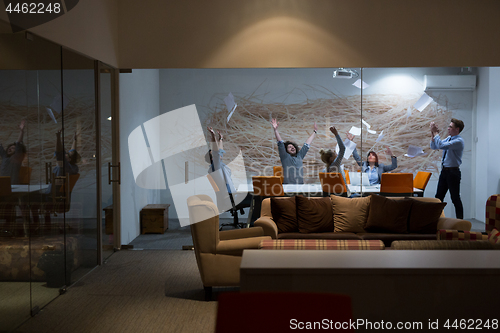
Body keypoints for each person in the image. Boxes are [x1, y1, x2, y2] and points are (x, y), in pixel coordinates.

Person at [430, 118, 464, 219]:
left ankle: (460, 222)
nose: (448, 128)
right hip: (445, 171)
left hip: (453, 172)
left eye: (450, 127)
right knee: (438, 197)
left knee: (455, 198)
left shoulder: (458, 141)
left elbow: (440, 144)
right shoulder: (449, 138)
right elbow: (434, 146)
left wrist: (436, 133)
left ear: (457, 129)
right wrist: (433, 133)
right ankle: (435, 220)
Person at [271, 118, 317, 184]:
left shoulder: (300, 156)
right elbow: (280, 143)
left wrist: (314, 131)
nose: (292, 148)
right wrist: (275, 130)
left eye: (293, 147)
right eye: (289, 147)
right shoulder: (285, 156)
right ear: (286, 150)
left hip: (300, 187)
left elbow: (307, 145)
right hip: (288, 188)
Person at [0, 119, 27, 184]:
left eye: (13, 148)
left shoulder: (16, 158)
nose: (10, 149)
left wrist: (21, 132)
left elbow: (18, 143)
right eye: (9, 148)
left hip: (12, 185)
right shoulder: (5, 157)